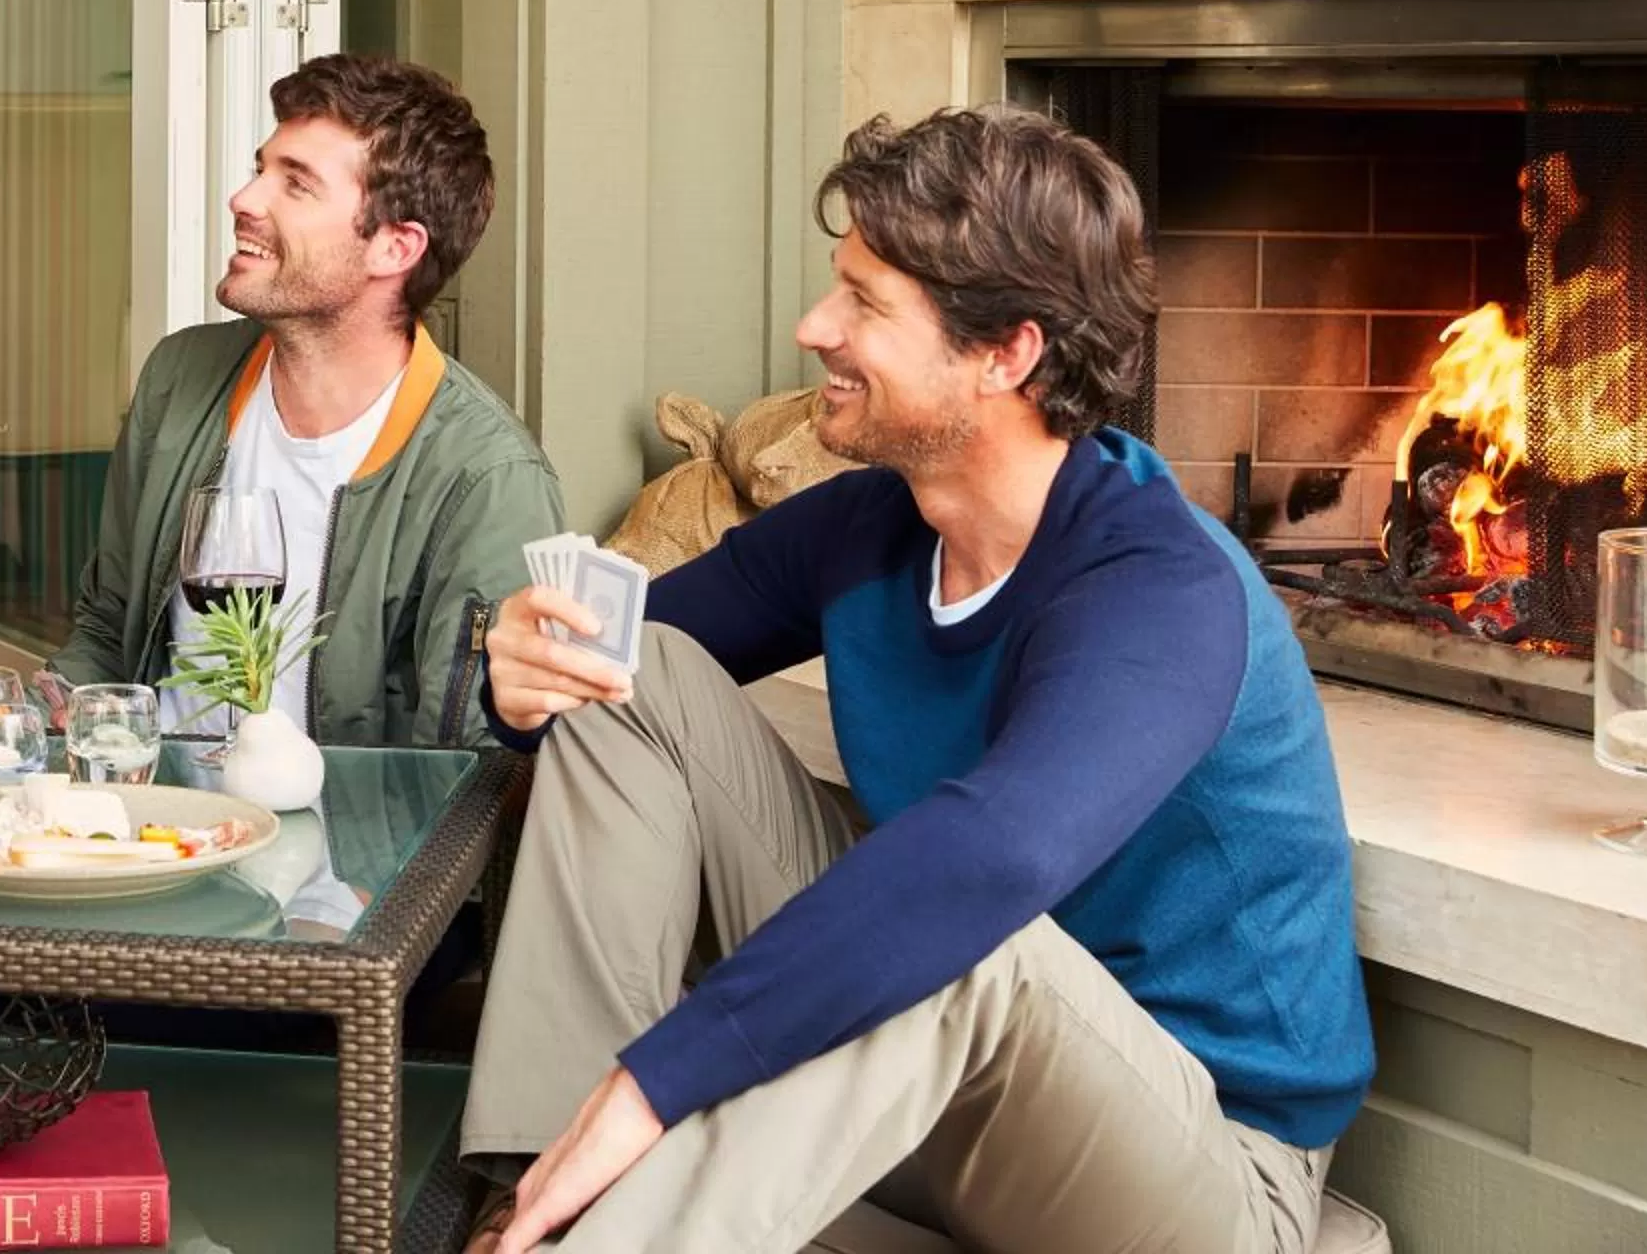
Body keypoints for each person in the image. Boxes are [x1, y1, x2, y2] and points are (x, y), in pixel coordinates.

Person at [463, 106, 1374, 1254]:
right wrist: (516, 675)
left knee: (962, 928)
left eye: (863, 302)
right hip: (940, 1109)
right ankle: (541, 1203)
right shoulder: (870, 528)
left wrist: (657, 1081)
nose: (811, 327)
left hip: (1203, 1170)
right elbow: (603, 663)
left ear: (1007, 351)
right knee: (625, 666)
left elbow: (988, 864)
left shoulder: (1163, 587)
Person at [48, 53, 562, 750]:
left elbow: (469, 765)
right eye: (262, 168)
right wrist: (35, 722)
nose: (246, 199)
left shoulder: (488, 482)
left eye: (296, 184)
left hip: (343, 851)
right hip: (155, 829)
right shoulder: (181, 378)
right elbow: (108, 627)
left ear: (394, 247)